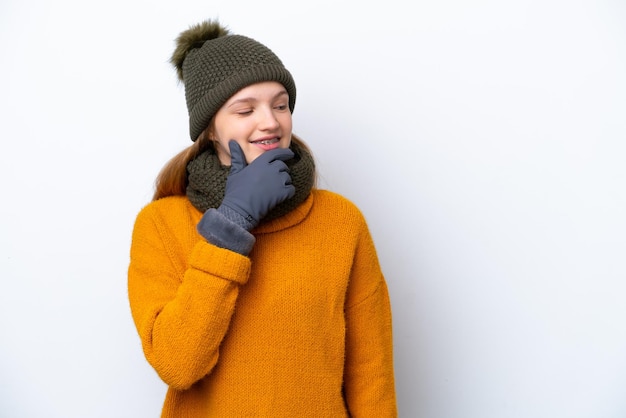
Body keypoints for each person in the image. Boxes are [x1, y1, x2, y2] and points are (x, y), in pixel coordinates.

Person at [127, 19, 397, 417]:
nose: (270, 121)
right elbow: (177, 364)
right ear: (211, 130)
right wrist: (231, 225)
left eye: (280, 104)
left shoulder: (341, 221)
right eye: (245, 109)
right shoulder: (160, 224)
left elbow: (371, 373)